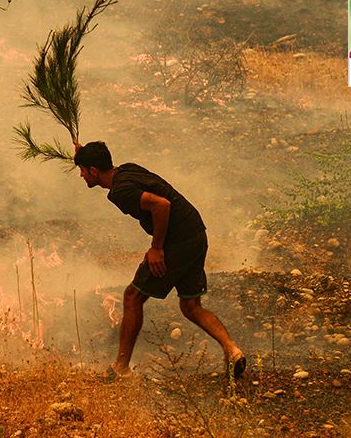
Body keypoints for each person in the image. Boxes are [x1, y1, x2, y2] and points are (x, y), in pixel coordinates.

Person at [74, 141, 245, 380]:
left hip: (179, 241)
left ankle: (121, 368)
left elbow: (161, 205)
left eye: (82, 170)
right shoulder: (126, 169)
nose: (81, 176)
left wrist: (157, 248)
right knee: (191, 306)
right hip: (196, 232)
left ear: (93, 170)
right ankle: (232, 350)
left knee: (132, 297)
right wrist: (82, 153)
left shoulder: (120, 191)